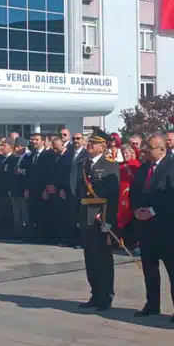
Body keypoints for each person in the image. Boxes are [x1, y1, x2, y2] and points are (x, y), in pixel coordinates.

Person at [131, 135, 174, 322]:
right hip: (146, 227)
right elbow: (134, 191)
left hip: (165, 227)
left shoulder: (172, 168)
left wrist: (153, 211)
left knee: (173, 269)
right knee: (149, 268)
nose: (146, 151)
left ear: (162, 150)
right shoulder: (143, 169)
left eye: (151, 148)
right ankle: (152, 303)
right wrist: (136, 210)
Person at [77, 131, 120, 311]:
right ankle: (95, 294)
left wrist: (108, 222)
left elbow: (114, 196)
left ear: (103, 147)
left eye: (94, 144)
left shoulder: (110, 166)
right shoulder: (84, 164)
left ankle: (106, 296)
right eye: (89, 143)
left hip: (102, 218)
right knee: (90, 258)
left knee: (103, 258)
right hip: (86, 217)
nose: (90, 146)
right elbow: (79, 193)